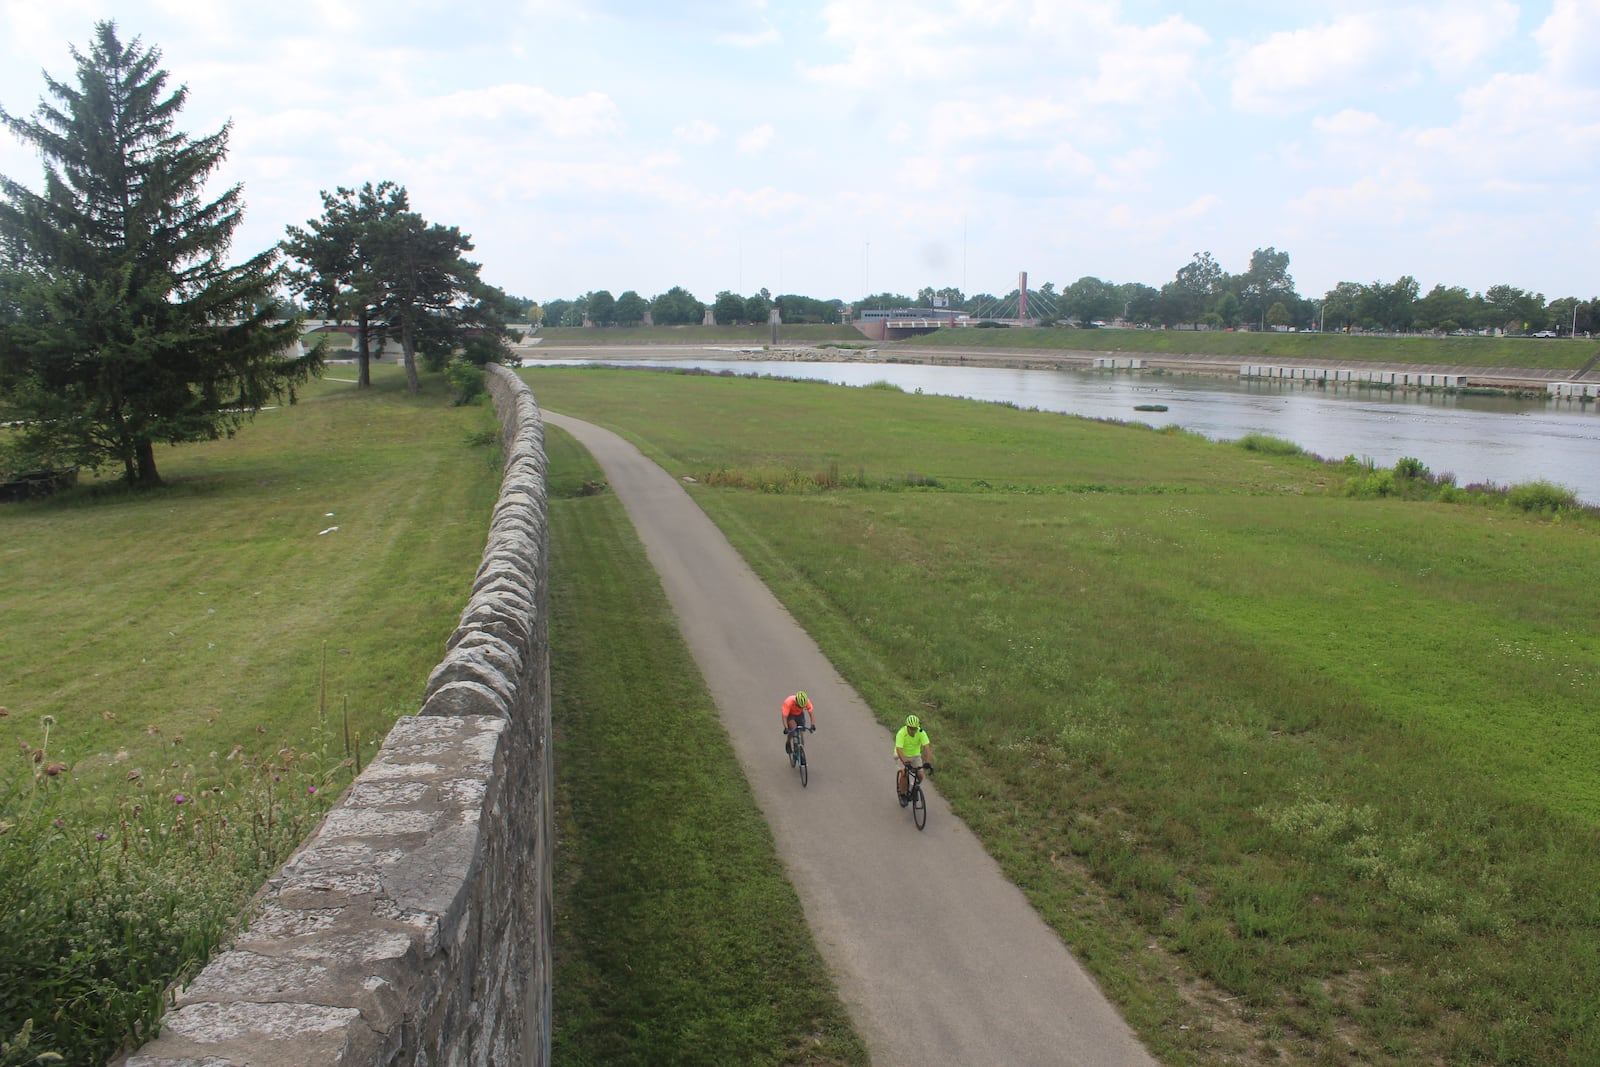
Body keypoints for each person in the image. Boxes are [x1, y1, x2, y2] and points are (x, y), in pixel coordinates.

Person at [894, 714, 933, 799]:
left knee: (920, 775)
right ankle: (903, 794)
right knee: (904, 773)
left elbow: (927, 747)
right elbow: (899, 749)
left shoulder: (921, 732)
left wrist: (928, 762)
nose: (913, 731)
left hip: (915, 756)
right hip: (902, 755)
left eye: (914, 729)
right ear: (907, 726)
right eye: (911, 728)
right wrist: (905, 762)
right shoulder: (901, 733)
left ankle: (913, 787)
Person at [781, 691, 815, 755]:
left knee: (801, 733)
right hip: (790, 714)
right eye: (799, 706)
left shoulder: (807, 702)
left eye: (802, 707)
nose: (800, 707)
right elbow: (784, 717)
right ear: (796, 701)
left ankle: (800, 751)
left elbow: (811, 713)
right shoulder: (788, 702)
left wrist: (812, 724)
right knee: (793, 729)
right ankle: (788, 742)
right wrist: (786, 728)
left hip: (799, 714)